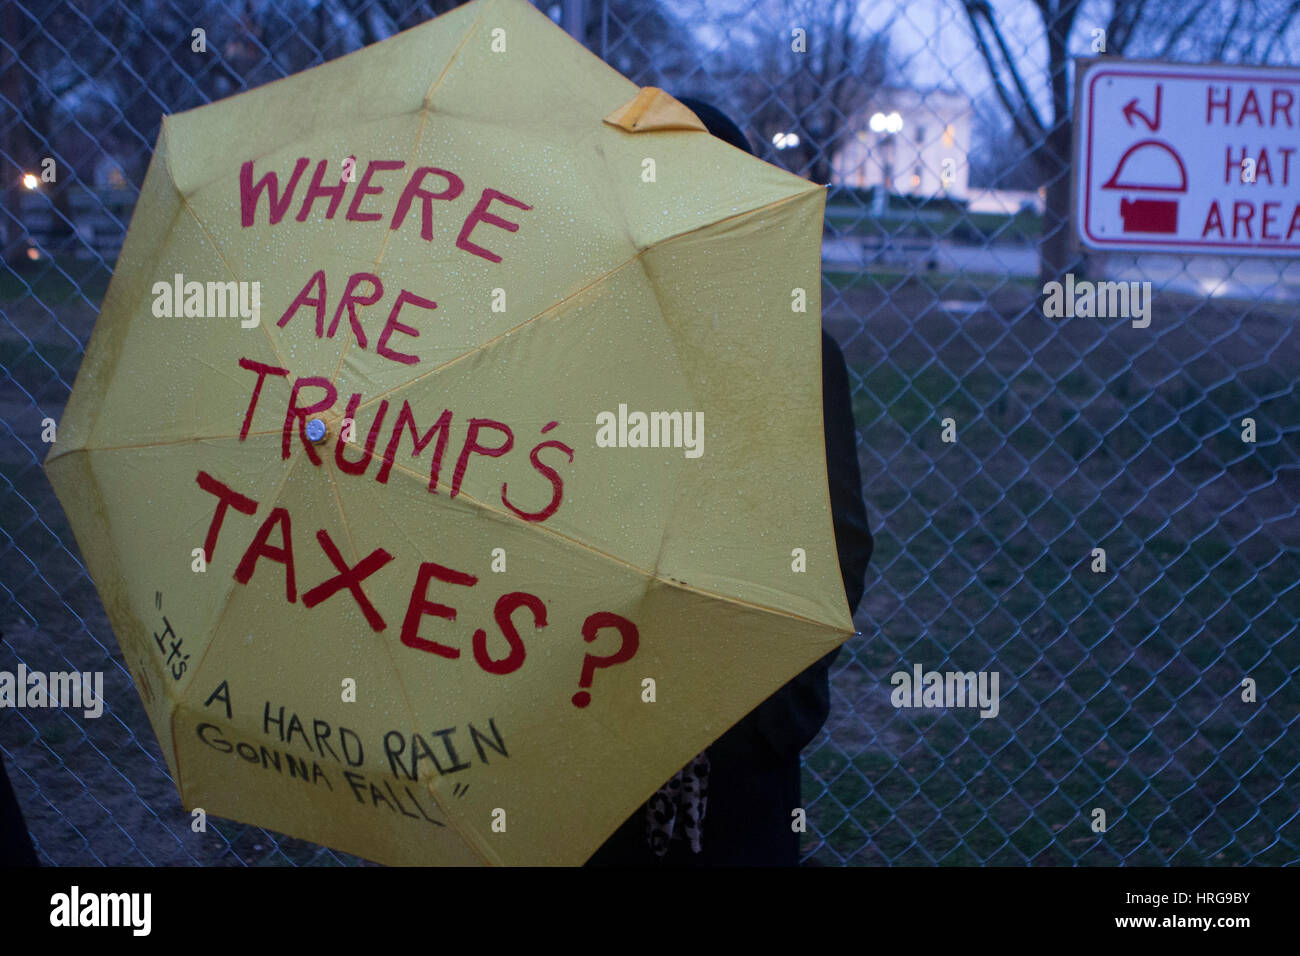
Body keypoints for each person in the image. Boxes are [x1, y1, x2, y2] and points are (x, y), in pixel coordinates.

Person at [585, 97, 873, 866]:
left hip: (730, 743)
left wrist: (767, 717)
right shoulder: (570, 341)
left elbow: (834, 543)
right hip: (576, 719)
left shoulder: (789, 354)